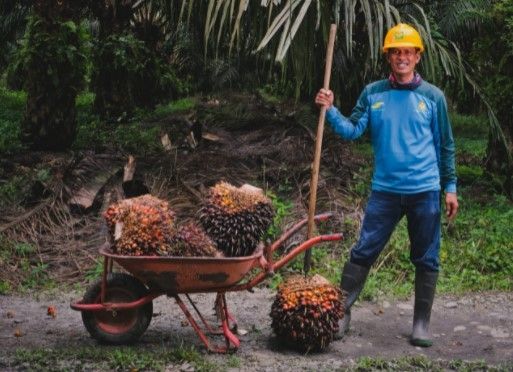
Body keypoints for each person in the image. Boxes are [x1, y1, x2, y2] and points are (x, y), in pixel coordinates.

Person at [315, 23, 459, 347]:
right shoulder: (373, 93)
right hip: (386, 191)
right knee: (364, 250)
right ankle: (341, 312)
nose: (402, 57)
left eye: (408, 51)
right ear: (389, 56)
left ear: (418, 56)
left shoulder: (433, 98)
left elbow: (446, 146)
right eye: (396, 52)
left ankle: (421, 324)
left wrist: (450, 187)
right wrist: (331, 109)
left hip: (425, 191)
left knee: (427, 258)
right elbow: (353, 130)